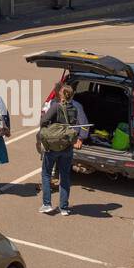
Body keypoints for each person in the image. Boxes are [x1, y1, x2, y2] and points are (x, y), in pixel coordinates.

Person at [39, 82, 90, 215]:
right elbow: (85, 125)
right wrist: (80, 138)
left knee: (46, 174)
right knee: (65, 176)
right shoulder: (77, 106)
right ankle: (64, 207)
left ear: (61, 94)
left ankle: (47, 204)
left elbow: (43, 120)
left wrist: (48, 130)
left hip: (53, 146)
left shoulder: (56, 106)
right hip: (67, 146)